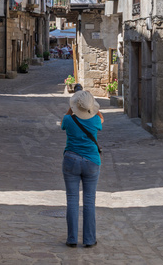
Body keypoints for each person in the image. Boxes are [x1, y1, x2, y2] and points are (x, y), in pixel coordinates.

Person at [61, 90, 104, 248]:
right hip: (91, 161)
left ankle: (72, 239)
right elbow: (101, 119)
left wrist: (72, 108)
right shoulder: (95, 121)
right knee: (89, 201)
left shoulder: (68, 119)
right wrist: (93, 108)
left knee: (72, 200)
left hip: (71, 160)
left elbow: (63, 123)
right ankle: (89, 239)